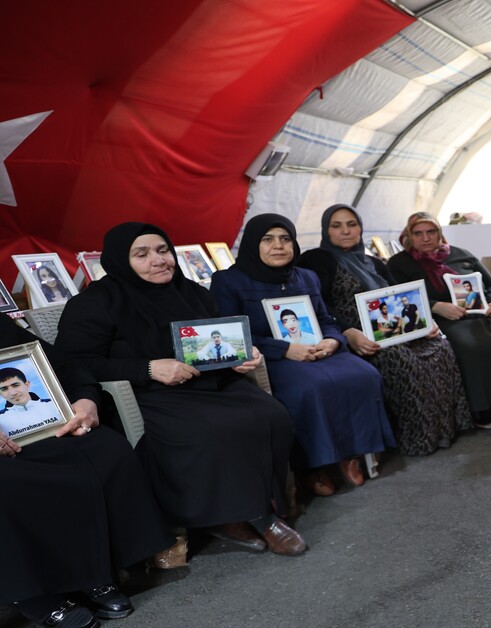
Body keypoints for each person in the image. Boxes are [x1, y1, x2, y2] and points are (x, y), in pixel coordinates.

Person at [57, 222, 305, 560]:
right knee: (211, 428)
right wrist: (148, 369)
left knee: (271, 415)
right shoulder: (95, 303)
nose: (158, 260)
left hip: (212, 383)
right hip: (150, 393)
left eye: (163, 250)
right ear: (119, 260)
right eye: (141, 254)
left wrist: (241, 355)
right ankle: (248, 517)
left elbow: (218, 339)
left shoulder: (192, 292)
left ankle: (259, 504)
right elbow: (75, 361)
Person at [2, 316, 173, 628]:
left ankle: (93, 571)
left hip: (33, 432)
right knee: (11, 483)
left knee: (106, 449)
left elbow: (63, 365)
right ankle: (29, 593)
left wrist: (86, 399)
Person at [211, 213, 396, 497]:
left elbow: (326, 319)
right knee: (309, 387)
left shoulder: (306, 277)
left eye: (285, 239)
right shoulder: (228, 281)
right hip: (272, 358)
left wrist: (332, 341)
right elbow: (232, 335)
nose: (279, 246)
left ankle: (352, 453)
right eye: (268, 239)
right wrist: (284, 349)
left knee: (365, 375)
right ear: (252, 243)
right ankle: (314, 465)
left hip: (317, 349)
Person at [298, 204, 471, 454]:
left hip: (390, 327)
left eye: (352, 224)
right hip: (356, 334)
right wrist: (346, 332)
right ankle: (416, 438)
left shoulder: (373, 262)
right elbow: (318, 305)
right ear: (326, 230)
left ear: (360, 228)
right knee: (403, 359)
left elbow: (398, 294)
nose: (346, 231)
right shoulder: (316, 260)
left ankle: (442, 430)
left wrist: (425, 321)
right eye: (336, 226)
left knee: (440, 347)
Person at [388, 212, 491, 428]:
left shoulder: (461, 254)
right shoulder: (398, 264)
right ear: (409, 236)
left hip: (483, 313)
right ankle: (481, 408)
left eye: (431, 231)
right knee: (472, 347)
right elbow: (398, 298)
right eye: (418, 233)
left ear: (439, 233)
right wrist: (435, 306)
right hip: (442, 319)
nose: (425, 238)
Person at [0, 366, 63, 436]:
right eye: (4, 389)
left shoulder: (56, 404)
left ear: (27, 385)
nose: (13, 393)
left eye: (15, 385)